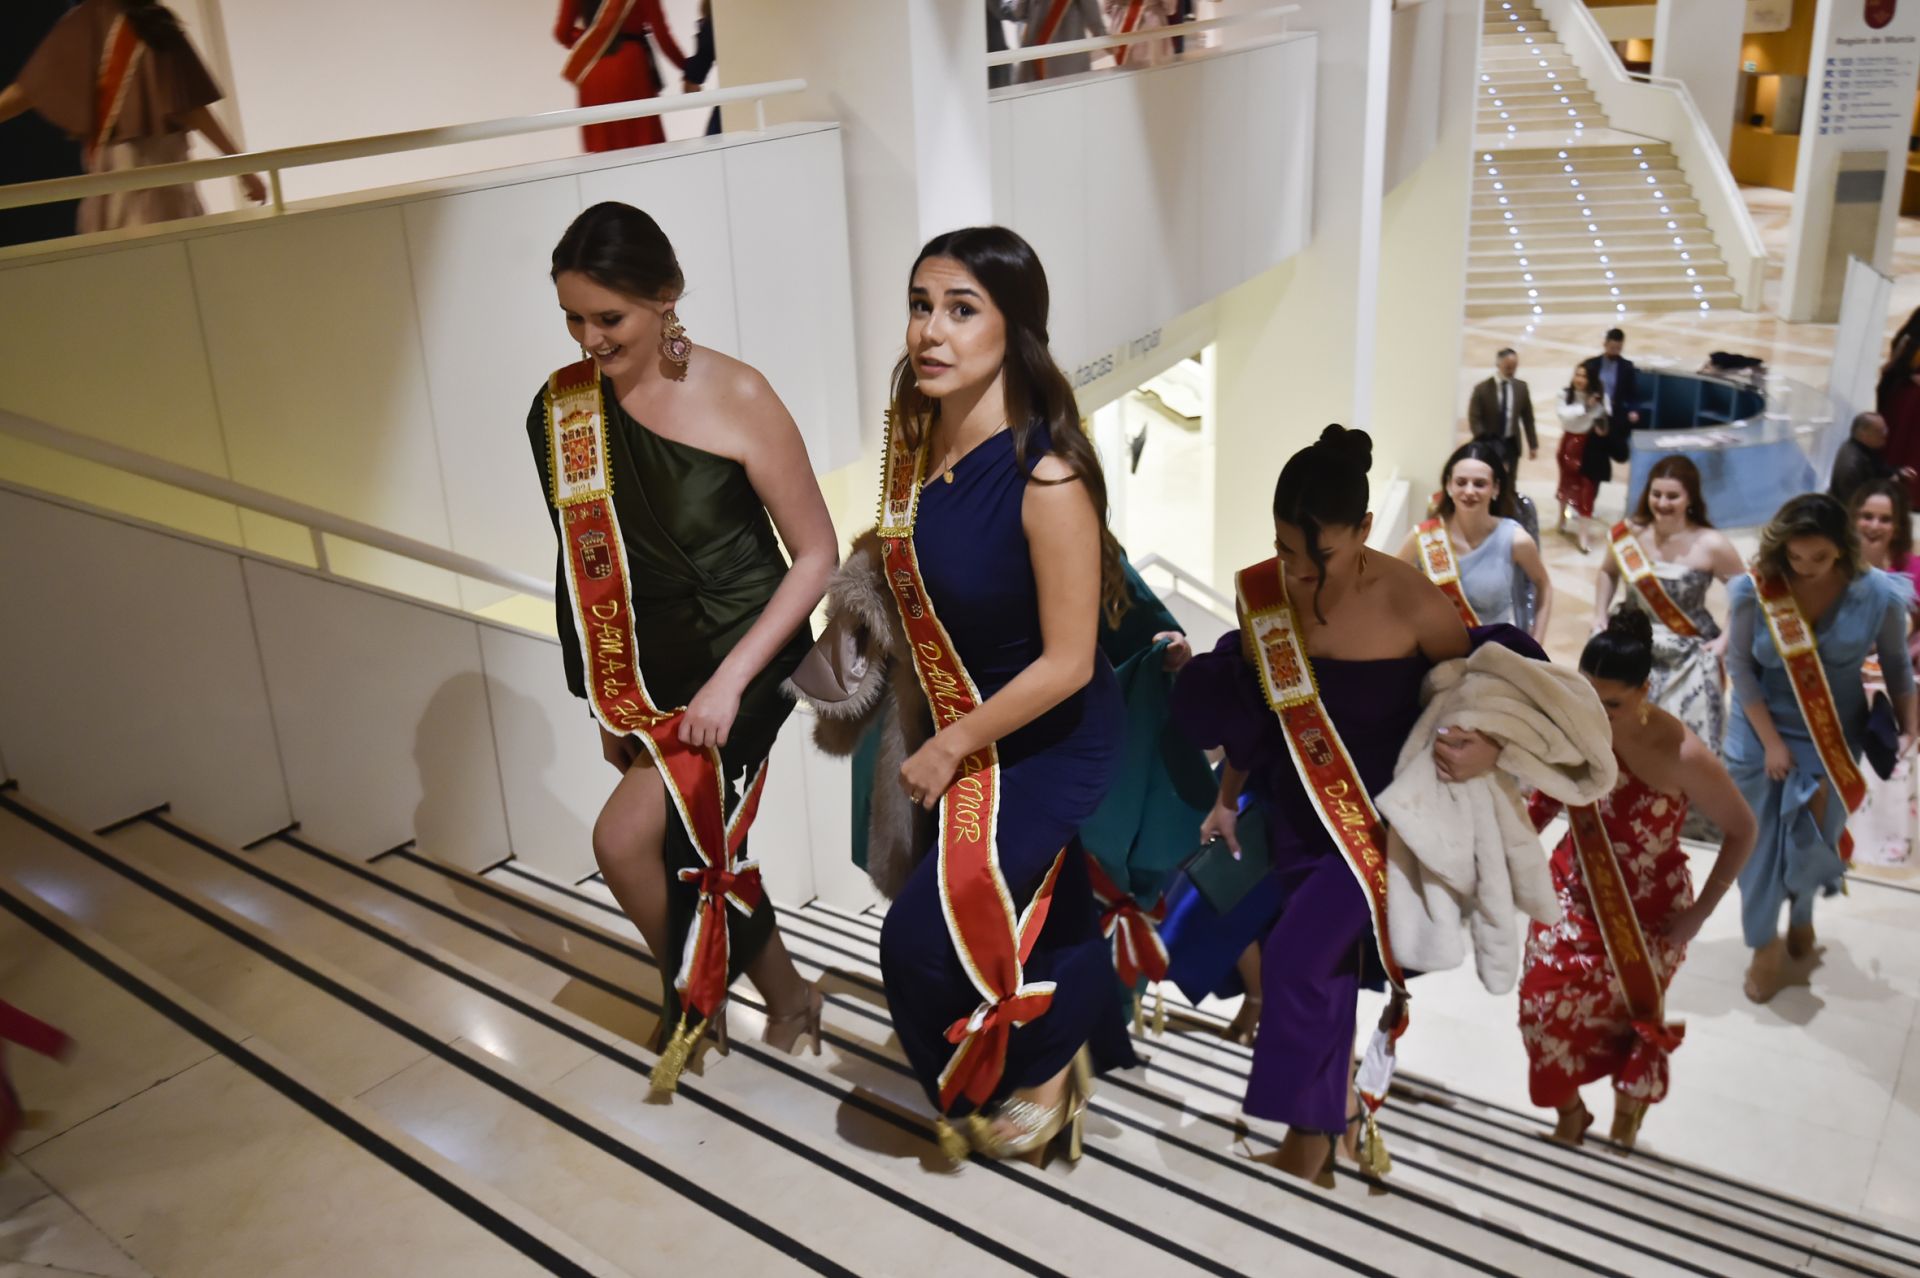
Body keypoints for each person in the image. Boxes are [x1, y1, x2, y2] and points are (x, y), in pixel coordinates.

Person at [525, 202, 834, 1083]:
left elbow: (815, 555)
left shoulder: (739, 394)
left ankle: (700, 995)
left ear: (666, 297)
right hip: (644, 667)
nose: (590, 338)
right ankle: (786, 994)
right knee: (702, 841)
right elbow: (577, 565)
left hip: (748, 652)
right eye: (573, 319)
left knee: (625, 841)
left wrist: (731, 684)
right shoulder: (564, 410)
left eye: (609, 318)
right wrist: (600, 695)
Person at [1171, 425, 1520, 1184]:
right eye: (1285, 551)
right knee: (1321, 973)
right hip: (1296, 811)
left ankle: (1311, 1135)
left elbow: (1478, 693)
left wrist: (1488, 747)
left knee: (1298, 959)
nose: (1297, 573)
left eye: (1317, 556)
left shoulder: (1412, 601)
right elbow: (1259, 717)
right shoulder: (1266, 593)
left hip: (1376, 826)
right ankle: (1314, 1143)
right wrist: (1227, 798)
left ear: (1363, 531)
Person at [872, 226, 1129, 1163]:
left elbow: (1066, 661)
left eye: (961, 310)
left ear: (1014, 329)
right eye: (919, 306)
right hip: (964, 720)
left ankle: (1044, 1060)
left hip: (1049, 736)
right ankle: (1055, 1051)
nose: (930, 332)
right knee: (1037, 900)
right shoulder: (915, 443)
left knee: (921, 938)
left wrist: (948, 745)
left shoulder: (1046, 475)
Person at [1519, 610, 1756, 1152]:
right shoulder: (1573, 729)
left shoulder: (1684, 754)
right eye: (1587, 696)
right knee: (1540, 1005)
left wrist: (1699, 916)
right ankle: (1570, 1113)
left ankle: (1625, 1129)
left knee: (1634, 1018)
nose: (1595, 715)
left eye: (1613, 704)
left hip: (1651, 911)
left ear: (1645, 690)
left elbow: (1743, 830)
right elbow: (1542, 801)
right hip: (1570, 890)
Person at [1725, 494, 1917, 1003]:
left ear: (1843, 552)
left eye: (1820, 558)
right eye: (1794, 558)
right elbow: (1741, 667)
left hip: (1832, 731)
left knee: (1815, 839)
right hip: (1757, 732)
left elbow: (1897, 664)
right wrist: (1769, 742)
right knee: (1760, 847)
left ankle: (1804, 914)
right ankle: (1763, 944)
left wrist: (1911, 719)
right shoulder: (1754, 590)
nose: (1805, 570)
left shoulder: (1878, 595)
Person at [0, 0, 265, 233]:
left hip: (151, 173)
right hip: (126, 173)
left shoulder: (148, 23)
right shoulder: (90, 22)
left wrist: (242, 168)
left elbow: (190, 107)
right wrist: (243, 169)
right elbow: (30, 89)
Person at [1594, 458, 1743, 826]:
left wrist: (1726, 640)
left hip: (1689, 654)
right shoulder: (1628, 534)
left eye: (1672, 496)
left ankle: (1681, 815)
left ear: (1690, 498)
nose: (1662, 502)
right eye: (1657, 494)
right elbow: (1608, 571)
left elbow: (1746, 593)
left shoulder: (1712, 544)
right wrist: (1599, 615)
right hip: (1632, 648)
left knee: (1683, 738)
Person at [1399, 440, 1553, 643]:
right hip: (1433, 654)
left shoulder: (1516, 540)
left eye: (1480, 484)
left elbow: (1544, 585)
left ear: (1495, 488)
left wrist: (1537, 641)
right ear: (1448, 486)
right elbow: (1389, 582)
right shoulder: (1425, 538)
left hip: (1492, 658)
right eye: (1461, 482)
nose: (1469, 491)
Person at [1850, 479, 1920, 867]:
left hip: (1897, 686)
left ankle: (1889, 849)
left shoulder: (1913, 571)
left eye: (1884, 519)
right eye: (1866, 516)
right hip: (1844, 682)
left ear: (1898, 526)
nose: (1874, 525)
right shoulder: (1835, 565)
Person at [555, 0, 688, 153]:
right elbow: (663, 35)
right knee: (644, 150)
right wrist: (689, 70)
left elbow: (561, 33)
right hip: (632, 68)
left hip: (593, 72)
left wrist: (591, 41)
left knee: (602, 155)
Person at [1555, 362, 1612, 554]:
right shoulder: (1564, 395)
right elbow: (1564, 416)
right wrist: (1585, 408)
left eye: (1584, 376)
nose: (1579, 380)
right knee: (1566, 483)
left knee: (1587, 489)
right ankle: (1561, 518)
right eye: (1577, 375)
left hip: (1590, 449)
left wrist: (1600, 413)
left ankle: (1583, 535)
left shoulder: (1600, 398)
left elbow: (1607, 419)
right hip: (1569, 446)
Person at [1468, 348, 1538, 477]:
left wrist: (1533, 444)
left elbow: (1528, 418)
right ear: (1498, 364)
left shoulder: (1521, 388)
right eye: (1508, 367)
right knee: (1488, 476)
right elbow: (1474, 418)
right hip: (1489, 442)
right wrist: (1482, 439)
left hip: (1511, 443)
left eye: (1514, 367)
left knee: (1510, 481)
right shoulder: (1482, 389)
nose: (1511, 371)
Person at [1004, 0, 1108, 81]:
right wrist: (1105, 37)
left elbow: (1018, 11)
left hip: (1037, 51)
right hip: (1069, 55)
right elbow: (1093, 17)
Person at [1828, 412, 1909, 507]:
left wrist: (1899, 472)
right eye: (1879, 431)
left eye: (1885, 429)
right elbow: (1855, 504)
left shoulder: (1865, 448)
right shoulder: (1851, 465)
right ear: (1863, 435)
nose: (1885, 434)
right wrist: (1891, 484)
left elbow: (1880, 470)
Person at [1582, 328, 1641, 433]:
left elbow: (1633, 393)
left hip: (1616, 414)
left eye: (1618, 348)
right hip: (1594, 411)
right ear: (1605, 344)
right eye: (1612, 348)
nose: (1615, 351)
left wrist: (1633, 410)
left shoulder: (1627, 367)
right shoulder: (1591, 364)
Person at [679, 0, 721, 137]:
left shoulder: (717, 17)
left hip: (734, 103)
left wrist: (690, 77)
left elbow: (692, 83)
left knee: (714, 145)